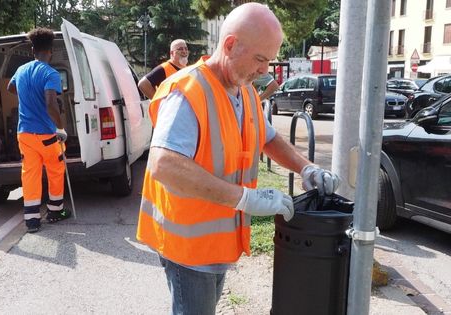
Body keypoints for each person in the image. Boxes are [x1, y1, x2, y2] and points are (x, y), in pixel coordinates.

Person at [135, 3, 340, 314]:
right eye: (260, 59)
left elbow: (267, 137)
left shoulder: (242, 89)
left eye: (268, 61)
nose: (264, 71)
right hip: (189, 249)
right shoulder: (187, 90)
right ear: (230, 45)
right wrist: (245, 199)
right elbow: (164, 164)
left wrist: (305, 167)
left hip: (215, 245)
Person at [8, 28, 71, 233]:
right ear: (50, 51)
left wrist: (27, 93)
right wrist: (60, 127)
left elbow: (11, 88)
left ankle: (32, 219)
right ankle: (55, 211)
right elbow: (51, 104)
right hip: (46, 134)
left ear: (33, 49)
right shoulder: (51, 74)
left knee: (30, 173)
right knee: (55, 170)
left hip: (24, 133)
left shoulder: (21, 71)